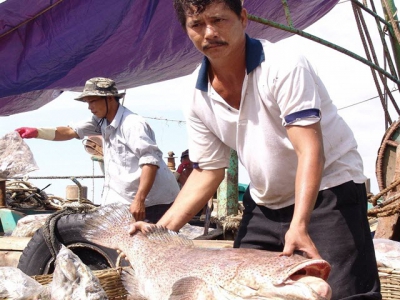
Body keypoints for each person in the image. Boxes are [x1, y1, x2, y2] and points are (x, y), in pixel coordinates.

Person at [130, 1, 381, 299]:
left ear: (243, 19)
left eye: (219, 20)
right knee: (240, 290)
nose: (209, 33)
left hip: (328, 193)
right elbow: (208, 171)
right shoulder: (196, 95)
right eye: (196, 25)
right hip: (265, 204)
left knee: (337, 292)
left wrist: (300, 224)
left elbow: (310, 150)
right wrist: (161, 231)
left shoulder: (283, 65)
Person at [15, 77, 180, 223]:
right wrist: (36, 132)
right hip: (124, 201)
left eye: (93, 101)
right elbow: (70, 131)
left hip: (153, 202)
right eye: (88, 102)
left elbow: (150, 161)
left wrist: (140, 199)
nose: (90, 107)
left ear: (109, 98)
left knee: (149, 249)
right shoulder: (100, 121)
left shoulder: (132, 124)